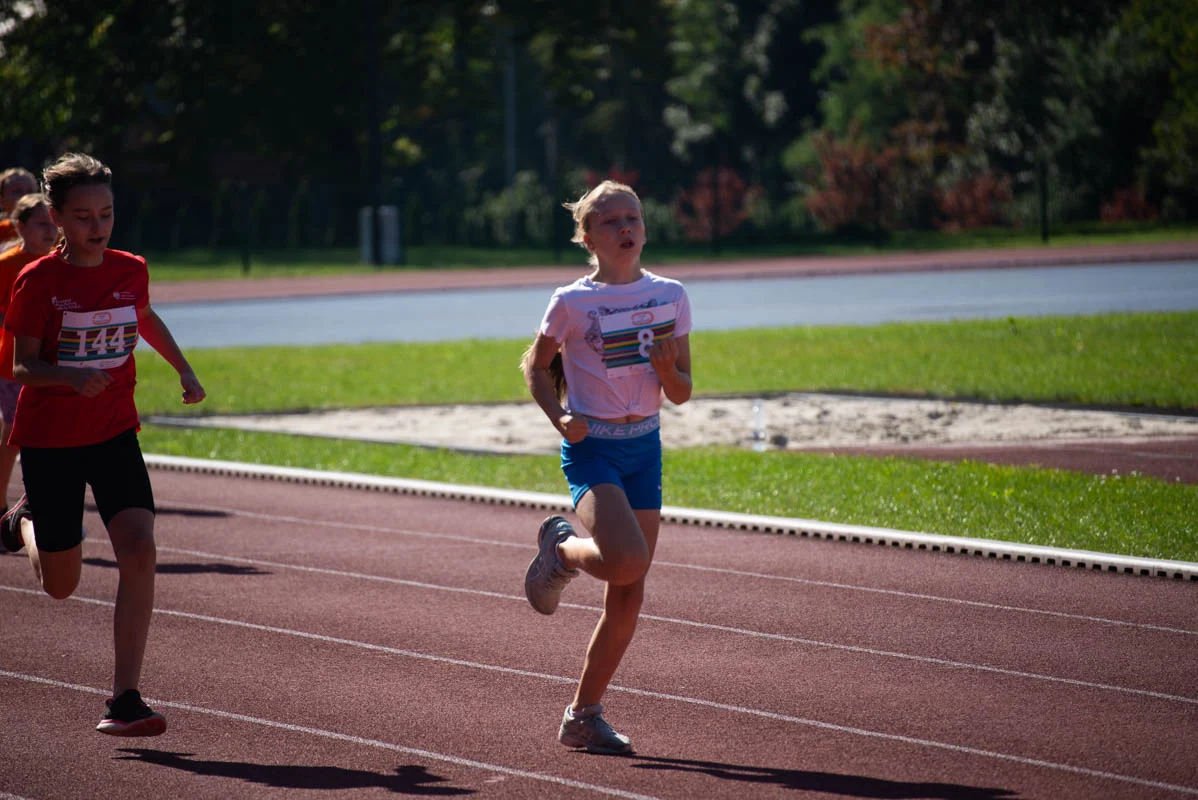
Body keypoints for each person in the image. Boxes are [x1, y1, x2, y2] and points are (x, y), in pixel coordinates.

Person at [0, 153, 206, 736]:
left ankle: (125, 698)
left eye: (107, 214)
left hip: (114, 429)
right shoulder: (38, 280)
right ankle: (22, 521)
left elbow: (144, 316)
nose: (98, 226)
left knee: (139, 549)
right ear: (57, 218)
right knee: (61, 587)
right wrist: (69, 376)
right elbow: (21, 366)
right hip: (52, 438)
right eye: (84, 216)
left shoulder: (130, 268)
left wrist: (183, 368)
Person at [521, 180, 693, 754]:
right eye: (611, 220)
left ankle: (582, 716)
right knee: (624, 560)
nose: (625, 228)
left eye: (633, 218)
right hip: (592, 445)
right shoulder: (571, 302)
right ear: (588, 237)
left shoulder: (671, 295)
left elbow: (683, 391)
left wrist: (666, 371)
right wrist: (559, 416)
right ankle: (561, 549)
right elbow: (536, 367)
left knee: (628, 591)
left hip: (645, 446)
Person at [0, 193, 61, 513]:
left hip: (54, 364)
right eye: (41, 224)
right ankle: (3, 504)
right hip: (14, 365)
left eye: (53, 224)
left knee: (51, 434)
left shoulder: (63, 263)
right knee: (15, 435)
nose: (50, 231)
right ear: (21, 227)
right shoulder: (7, 265)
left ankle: (42, 503)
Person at [0, 168, 38, 250]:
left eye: (30, 191)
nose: (25, 195)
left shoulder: (51, 230)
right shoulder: (1, 232)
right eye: (17, 191)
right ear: (1, 199)